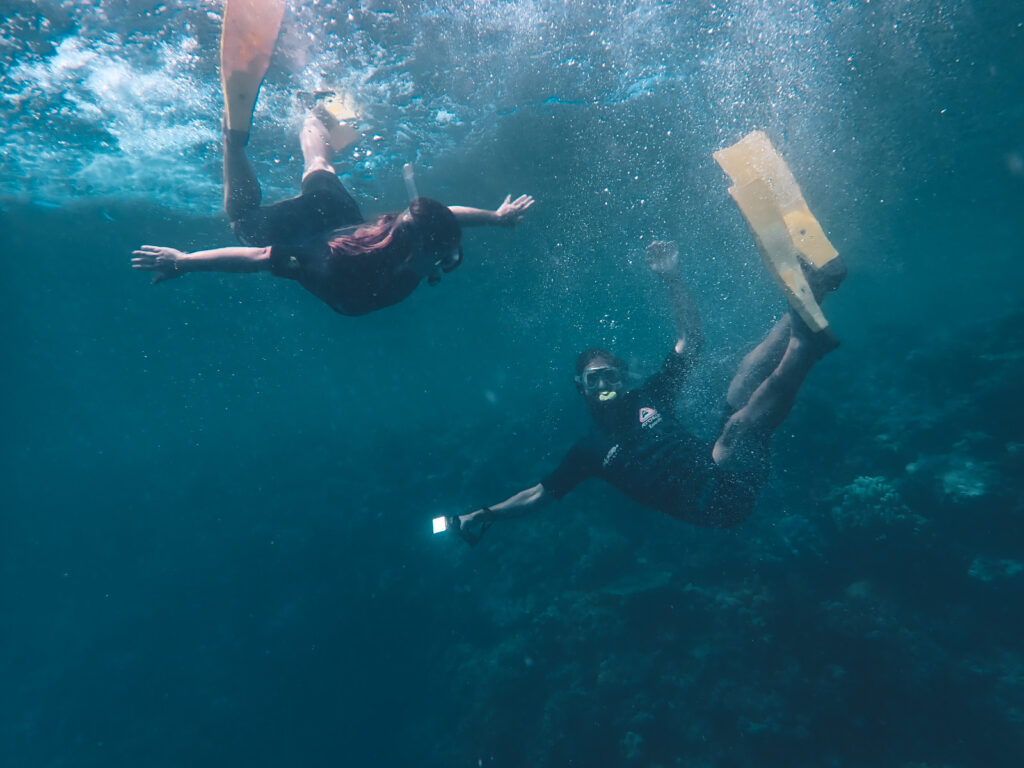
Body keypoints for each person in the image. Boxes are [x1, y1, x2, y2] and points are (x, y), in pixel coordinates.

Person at [448, 240, 846, 543]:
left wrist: (671, 277)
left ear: (622, 378)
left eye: (610, 376)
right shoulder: (588, 451)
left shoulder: (650, 396)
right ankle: (805, 347)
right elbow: (539, 494)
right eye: (594, 380)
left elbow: (691, 340)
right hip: (716, 506)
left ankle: (815, 289)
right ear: (580, 387)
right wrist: (485, 514)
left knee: (746, 375)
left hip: (723, 464)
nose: (604, 384)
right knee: (738, 428)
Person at [132, 106, 534, 316]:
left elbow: (446, 215)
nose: (449, 259)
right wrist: (183, 262)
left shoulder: (412, 230)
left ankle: (312, 111)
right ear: (421, 250)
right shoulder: (334, 264)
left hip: (341, 221)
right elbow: (255, 258)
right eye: (444, 254)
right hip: (309, 241)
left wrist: (496, 219)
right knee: (241, 217)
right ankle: (232, 143)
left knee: (320, 167)